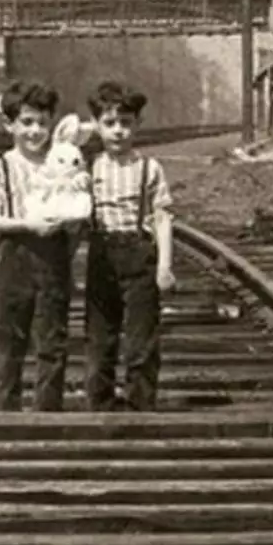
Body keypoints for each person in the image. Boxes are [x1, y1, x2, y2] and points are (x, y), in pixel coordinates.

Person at [0, 80, 79, 411]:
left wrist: (69, 235)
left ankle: (48, 411)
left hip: (53, 258)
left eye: (42, 123)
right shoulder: (0, 166)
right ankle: (5, 409)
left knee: (52, 339)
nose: (35, 131)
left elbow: (76, 212)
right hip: (14, 257)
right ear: (10, 125)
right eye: (27, 122)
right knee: (9, 337)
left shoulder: (61, 163)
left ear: (53, 124)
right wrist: (28, 224)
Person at [82, 80, 176, 411]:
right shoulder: (87, 166)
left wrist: (164, 266)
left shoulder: (150, 168)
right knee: (99, 336)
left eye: (126, 123)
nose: (118, 131)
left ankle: (140, 405)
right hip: (102, 256)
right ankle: (101, 404)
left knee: (142, 339)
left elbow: (163, 218)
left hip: (140, 256)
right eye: (109, 123)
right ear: (96, 125)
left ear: (138, 124)